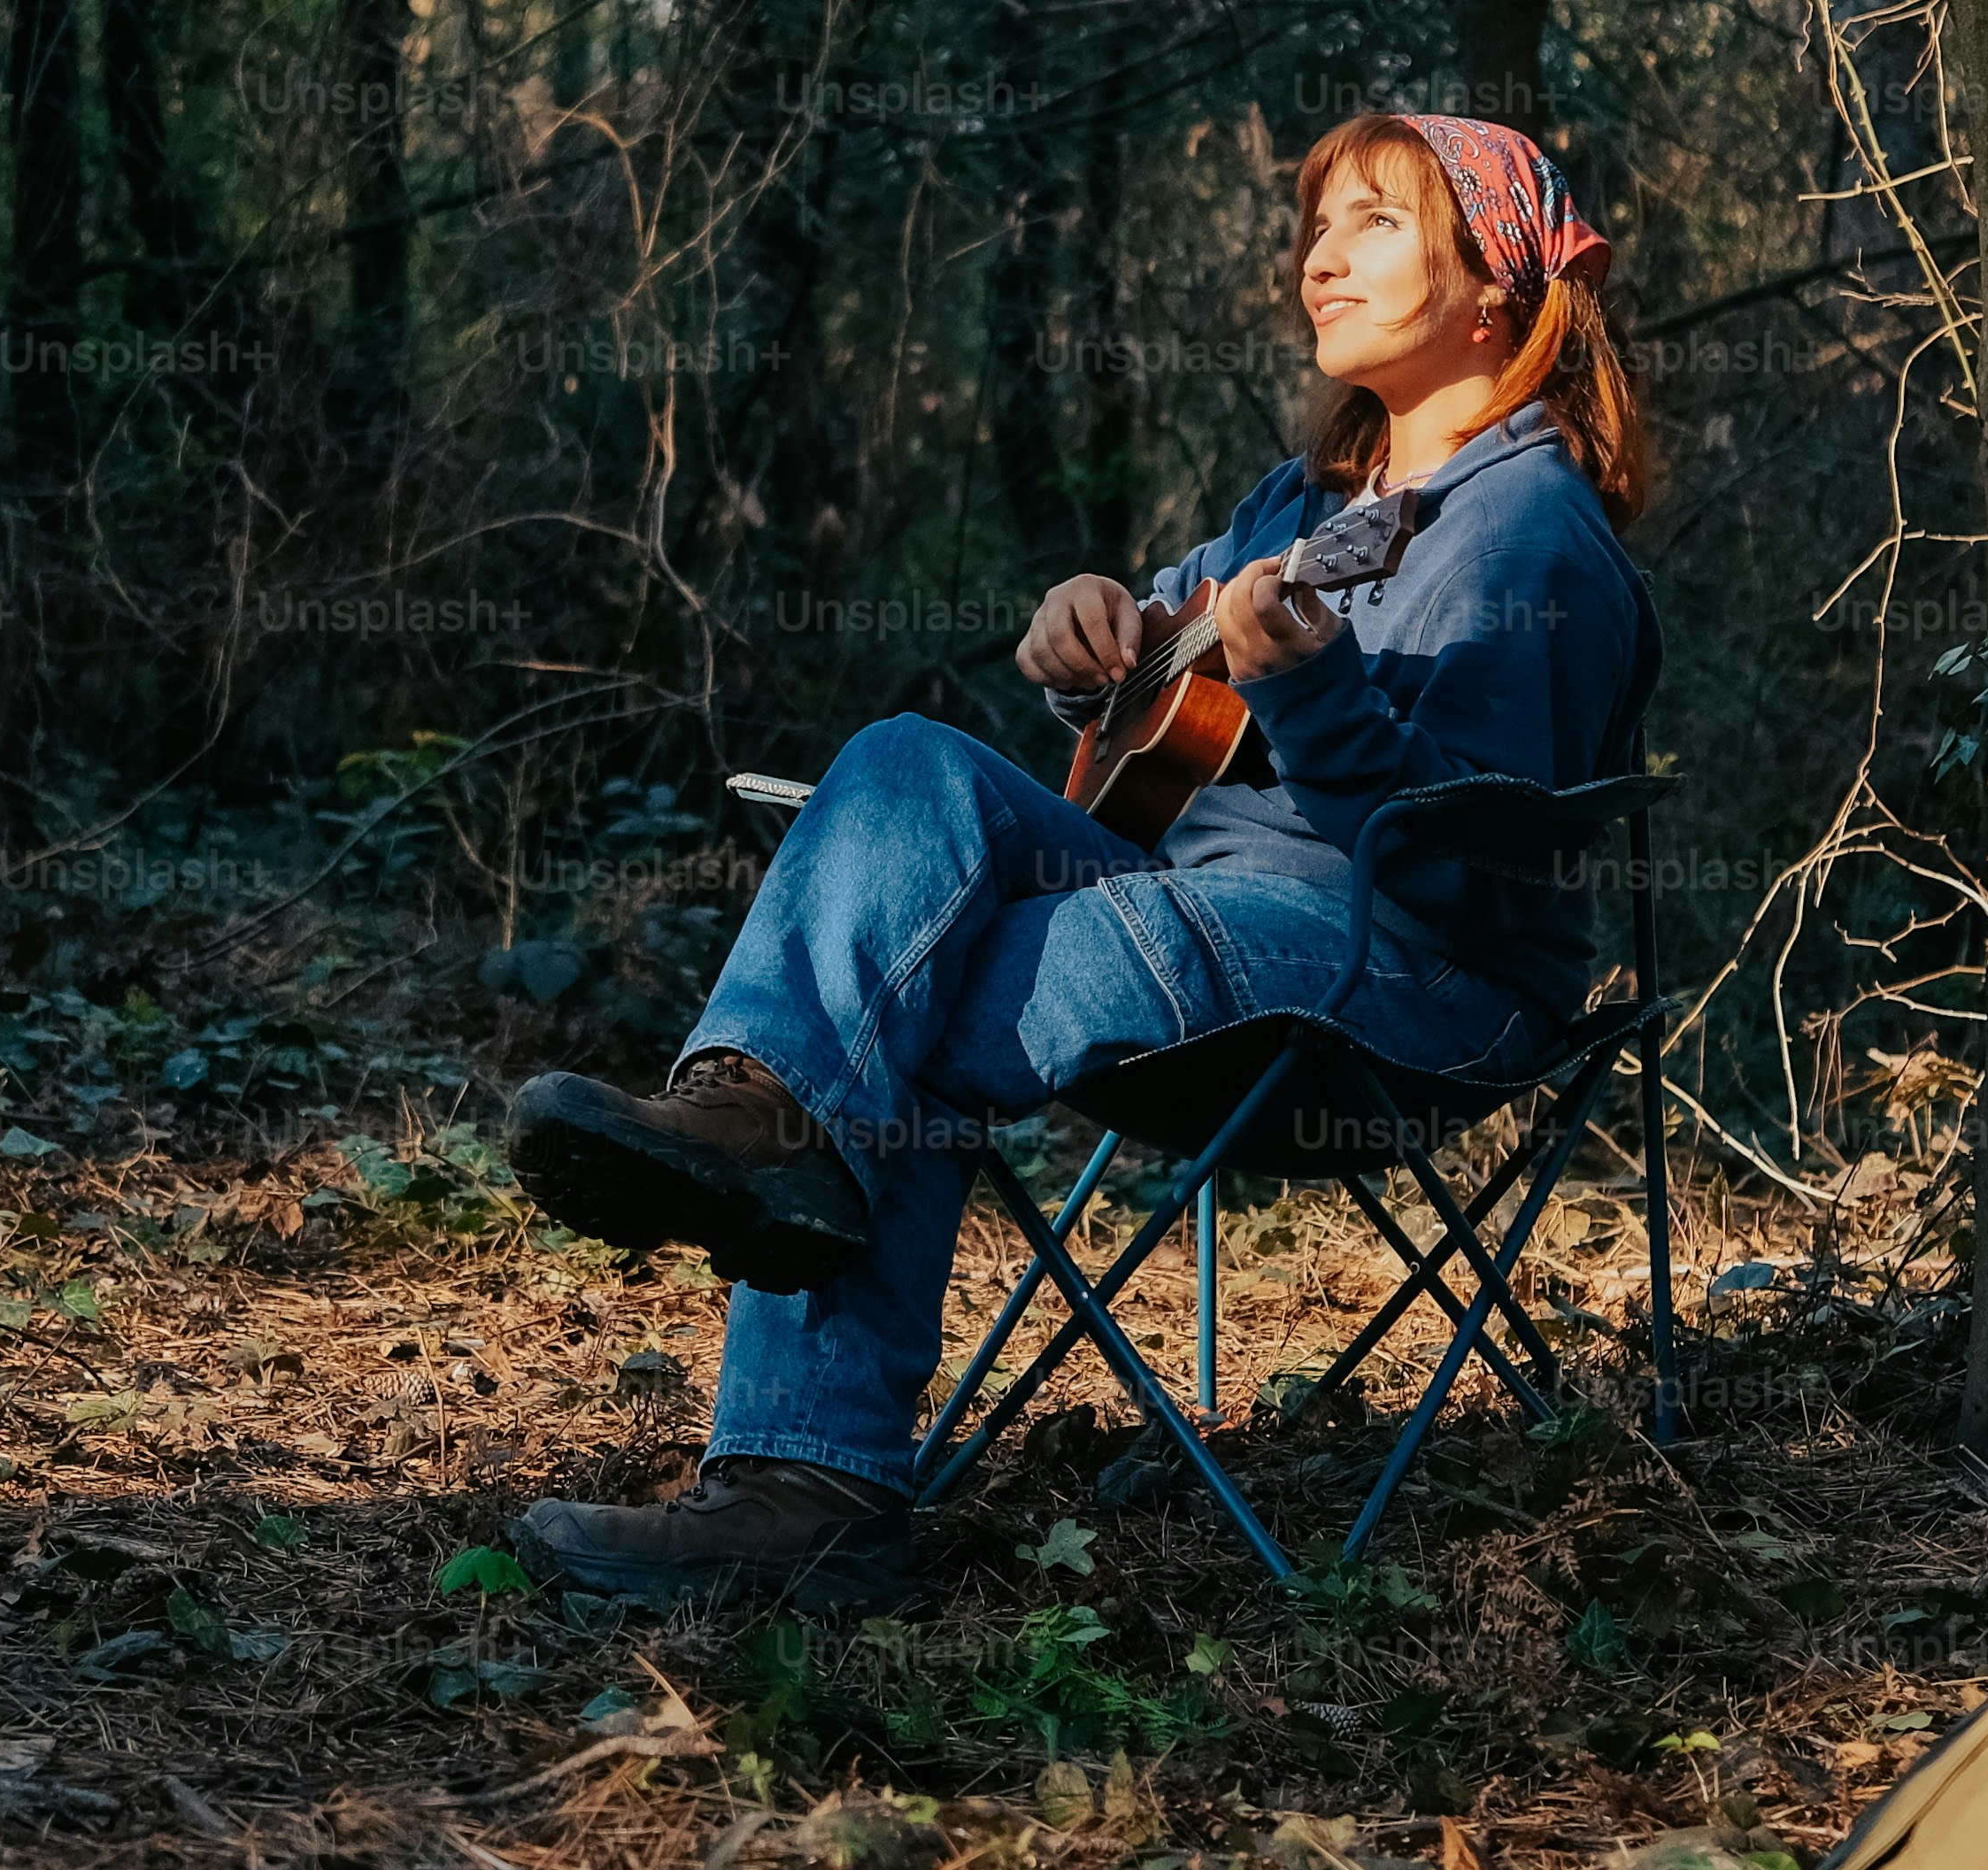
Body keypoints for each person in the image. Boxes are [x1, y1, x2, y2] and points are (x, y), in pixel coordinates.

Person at [501, 110, 1661, 1609]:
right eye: (1314, 226)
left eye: (1372, 220)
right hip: (1198, 913)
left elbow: (1463, 860)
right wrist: (1091, 632)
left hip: (1410, 980)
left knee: (904, 992)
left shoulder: (1530, 532)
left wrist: (1308, 690)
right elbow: (1175, 651)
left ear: (1496, 274)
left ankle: (804, 1479)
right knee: (906, 762)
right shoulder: (1307, 500)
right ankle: (760, 1117)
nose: (1321, 255)